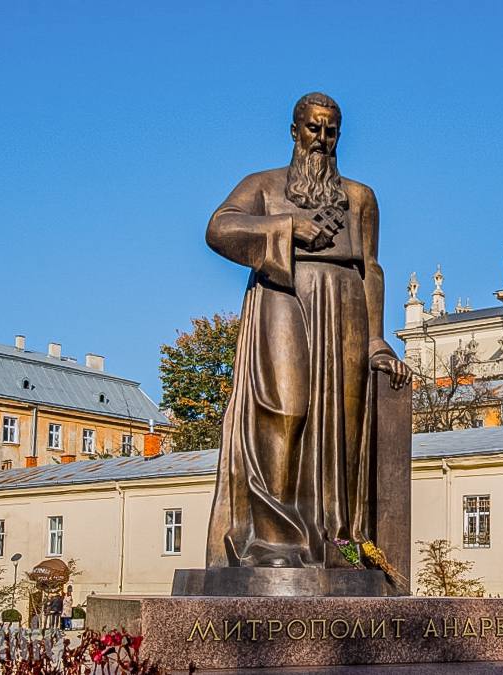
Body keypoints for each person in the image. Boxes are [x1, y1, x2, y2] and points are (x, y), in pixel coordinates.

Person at [203, 92, 409, 569]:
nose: (321, 139)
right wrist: (289, 225)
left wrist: (378, 340)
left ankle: (339, 541)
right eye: (313, 129)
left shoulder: (360, 197)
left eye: (330, 131)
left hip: (346, 304)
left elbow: (371, 267)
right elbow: (218, 228)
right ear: (295, 131)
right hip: (283, 293)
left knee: (342, 424)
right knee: (285, 408)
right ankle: (273, 541)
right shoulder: (264, 185)